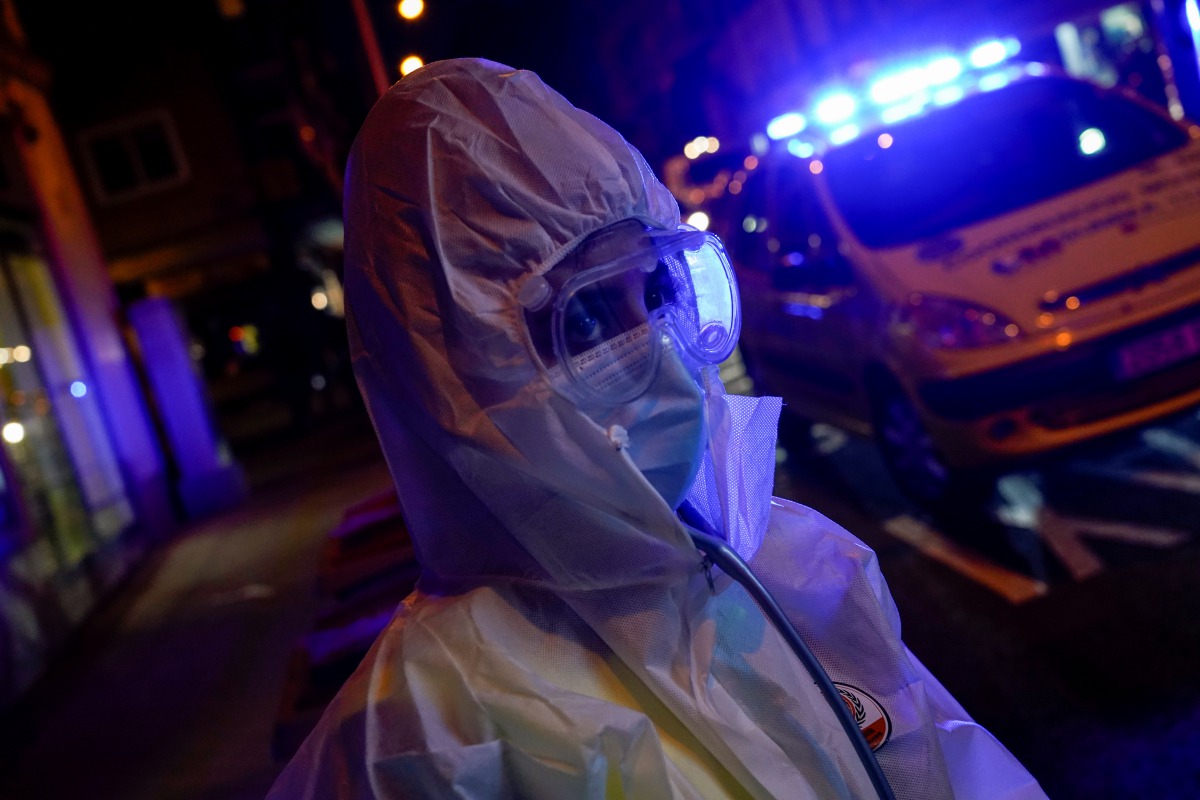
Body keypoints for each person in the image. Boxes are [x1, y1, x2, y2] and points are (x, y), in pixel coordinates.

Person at [268, 58, 1047, 799]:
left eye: (656, 291)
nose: (661, 354)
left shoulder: (790, 564)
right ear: (464, 373)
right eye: (589, 317)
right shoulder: (430, 732)